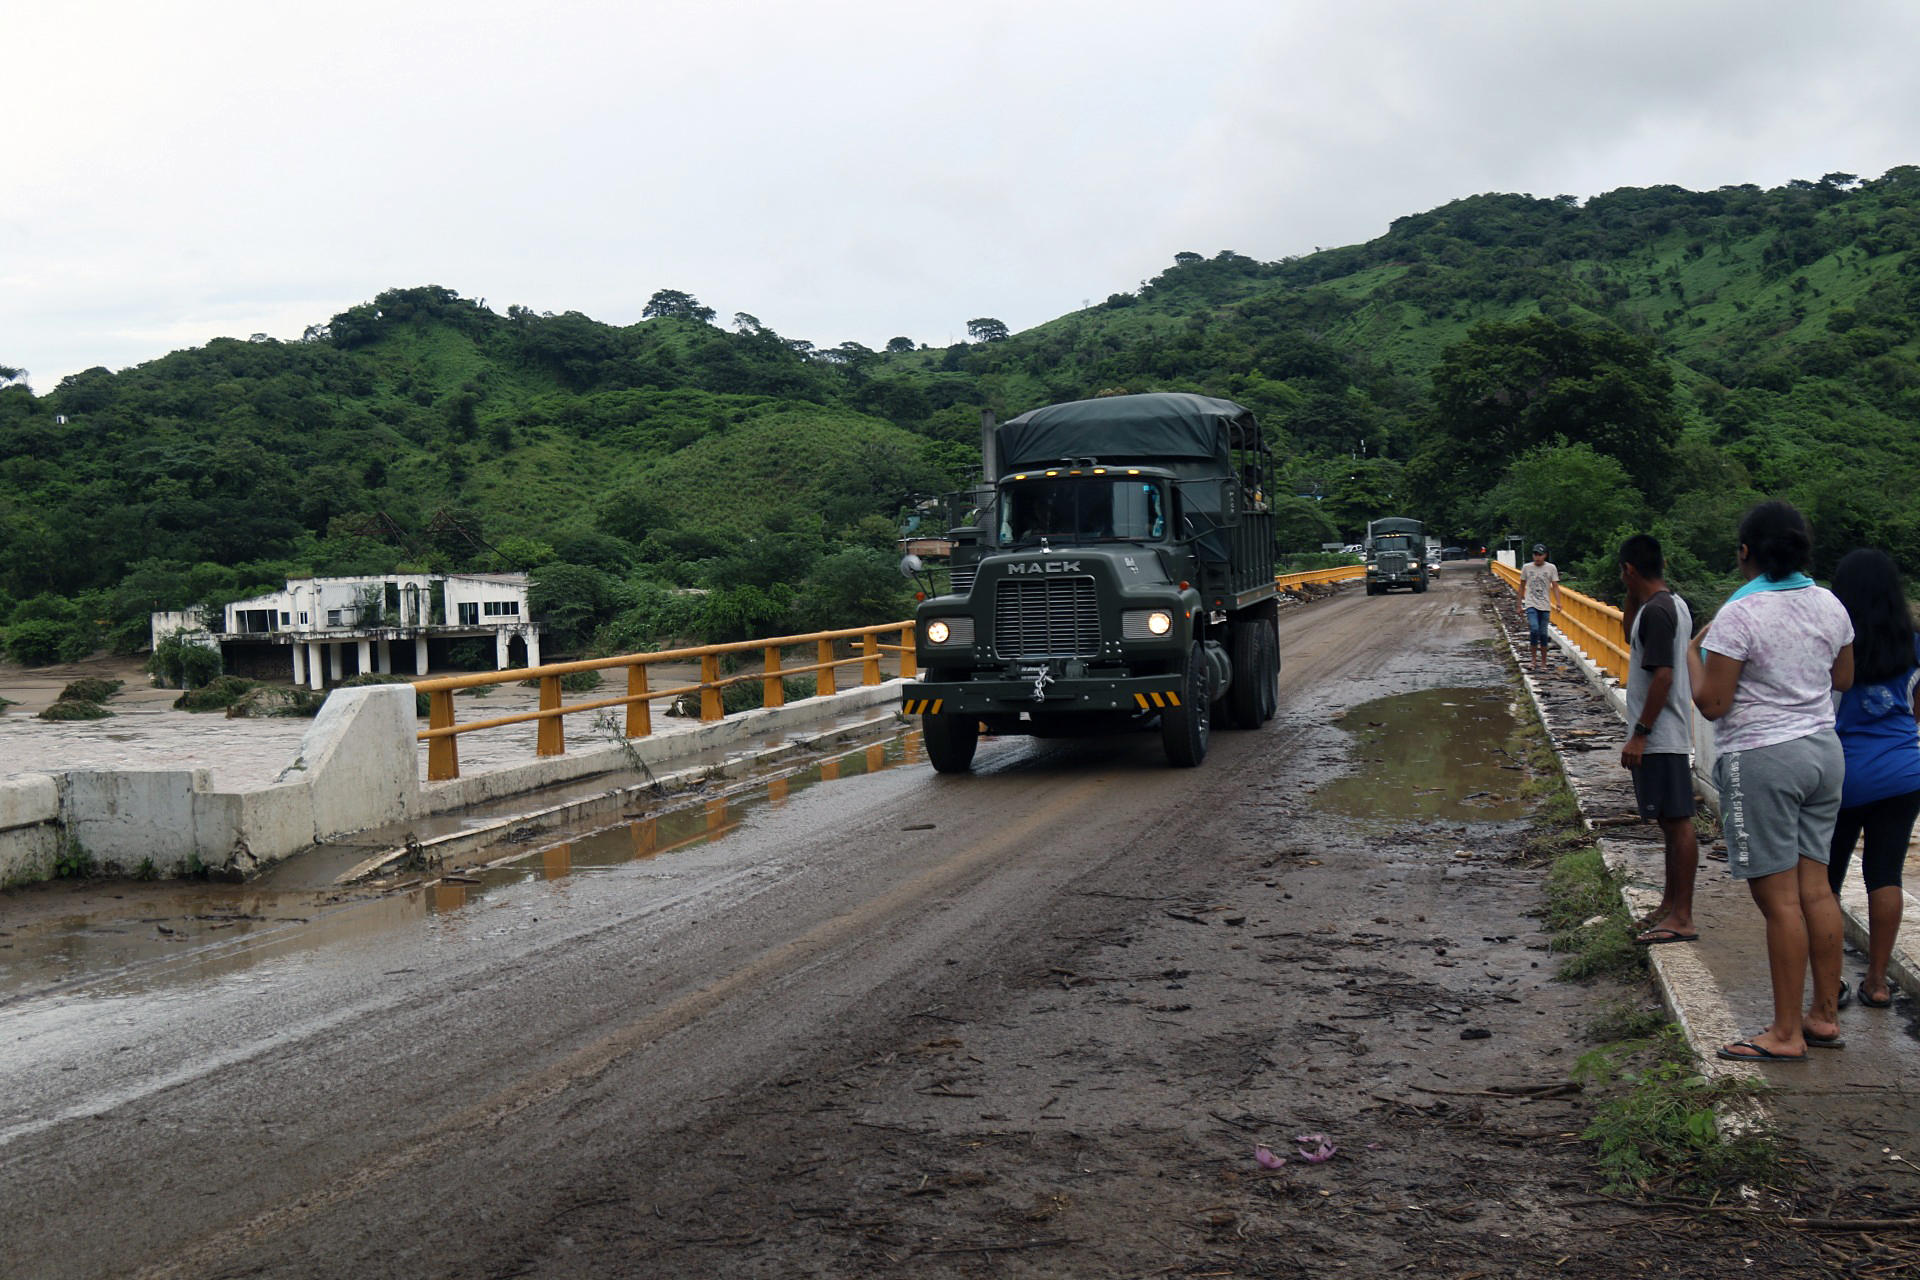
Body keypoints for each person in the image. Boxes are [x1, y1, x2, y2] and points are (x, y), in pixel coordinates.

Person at [1687, 501, 1854, 1062]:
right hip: (1823, 754)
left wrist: (1692, 654)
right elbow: (1844, 677)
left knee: (1779, 902)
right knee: (1816, 889)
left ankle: (1784, 1034)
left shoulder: (1741, 613)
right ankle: (1822, 1017)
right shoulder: (1830, 602)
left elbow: (1712, 703)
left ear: (1745, 553)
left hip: (1763, 757)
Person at [1826, 548, 1919, 1009]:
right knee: (1885, 874)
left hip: (1839, 774)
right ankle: (1878, 982)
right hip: (1902, 773)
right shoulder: (1914, 640)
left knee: (1826, 879)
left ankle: (1831, 984)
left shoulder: (1833, 638)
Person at [1618, 534, 1698, 946]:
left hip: (1662, 736)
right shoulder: (1667, 605)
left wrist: (1640, 735)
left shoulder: (1660, 612)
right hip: (1664, 736)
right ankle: (1670, 905)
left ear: (1629, 569)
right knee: (1669, 822)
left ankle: (1682, 916)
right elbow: (1630, 632)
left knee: (1678, 822)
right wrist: (1631, 593)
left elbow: (1663, 676)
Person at [1518, 544, 1561, 669]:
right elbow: (1521, 586)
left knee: (1543, 633)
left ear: (1545, 555)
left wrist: (1559, 602)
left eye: (1540, 555)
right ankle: (1533, 660)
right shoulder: (1527, 567)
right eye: (1535, 554)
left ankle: (1543, 662)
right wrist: (1519, 604)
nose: (1537, 557)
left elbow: (1555, 587)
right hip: (1531, 603)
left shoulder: (1551, 568)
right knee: (1534, 629)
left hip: (1545, 604)